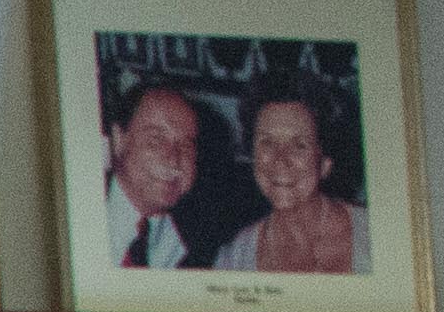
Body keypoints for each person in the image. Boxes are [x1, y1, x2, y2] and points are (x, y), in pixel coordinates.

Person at [210, 78, 366, 274]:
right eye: (267, 142)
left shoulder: (374, 235)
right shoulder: (234, 259)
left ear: (325, 162)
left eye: (299, 145)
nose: (280, 160)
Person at [103, 79, 209, 269]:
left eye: (186, 146)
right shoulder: (79, 209)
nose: (173, 159)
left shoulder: (198, 242)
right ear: (119, 140)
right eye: (156, 140)